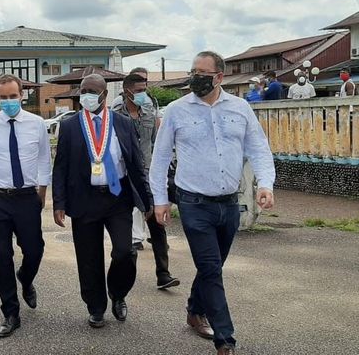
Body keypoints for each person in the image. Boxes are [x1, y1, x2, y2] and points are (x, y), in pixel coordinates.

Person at [150, 51, 276, 355]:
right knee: (210, 268)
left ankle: (194, 309)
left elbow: (258, 149)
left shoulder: (240, 107)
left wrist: (266, 184)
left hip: (229, 204)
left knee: (212, 267)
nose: (195, 76)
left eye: (202, 72)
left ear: (219, 77)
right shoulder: (177, 111)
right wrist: (159, 199)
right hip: (194, 203)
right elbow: (161, 156)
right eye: (193, 70)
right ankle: (225, 340)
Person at [53, 74, 152, 328]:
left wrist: (147, 199)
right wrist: (59, 203)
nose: (85, 95)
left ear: (104, 95)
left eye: (92, 91)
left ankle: (118, 294)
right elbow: (61, 167)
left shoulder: (122, 123)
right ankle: (96, 307)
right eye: (83, 90)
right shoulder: (70, 126)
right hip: (84, 200)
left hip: (117, 198)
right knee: (88, 258)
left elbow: (136, 165)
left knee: (125, 252)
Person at [0, 74, 51, 338]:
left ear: (22, 95)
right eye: (3, 98)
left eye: (13, 97)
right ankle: (10, 313)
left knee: (35, 248)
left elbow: (44, 159)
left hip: (27, 197)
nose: (9, 102)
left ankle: (26, 278)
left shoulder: (37, 124)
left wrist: (42, 192)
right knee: (2, 257)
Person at [111, 73, 179, 290]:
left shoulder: (150, 109)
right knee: (125, 231)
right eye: (139, 90)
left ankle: (163, 274)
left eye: (145, 89)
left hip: (148, 174)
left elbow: (157, 140)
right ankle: (122, 280)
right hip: (124, 176)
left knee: (157, 223)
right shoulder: (115, 114)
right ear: (127, 90)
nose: (143, 94)